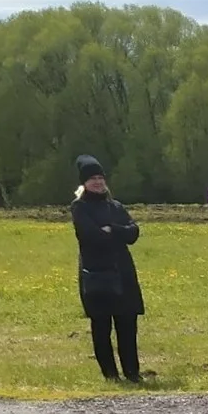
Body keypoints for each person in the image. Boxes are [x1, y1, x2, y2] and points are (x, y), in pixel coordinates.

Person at [70, 155, 144, 383]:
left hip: (122, 273)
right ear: (84, 182)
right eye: (92, 178)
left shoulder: (116, 206)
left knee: (127, 324)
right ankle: (110, 375)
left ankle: (132, 372)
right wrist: (115, 233)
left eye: (100, 177)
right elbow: (91, 236)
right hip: (97, 274)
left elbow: (133, 233)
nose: (98, 182)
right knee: (101, 326)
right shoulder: (79, 207)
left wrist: (111, 229)